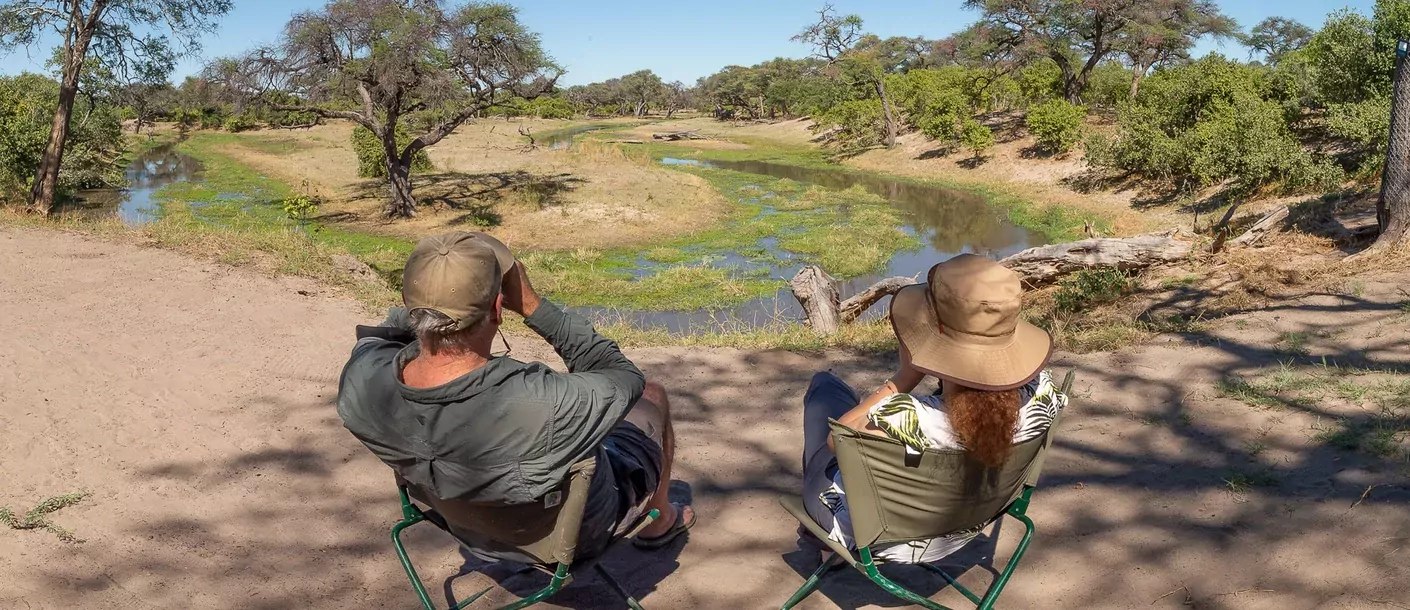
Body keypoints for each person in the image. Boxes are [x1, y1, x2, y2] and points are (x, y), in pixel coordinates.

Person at [337, 231, 695, 562]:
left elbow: (382, 333)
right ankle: (661, 519)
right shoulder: (546, 403)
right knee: (652, 393)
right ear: (497, 309)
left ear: (407, 303)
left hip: (459, 524)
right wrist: (532, 305)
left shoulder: (361, 382)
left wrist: (427, 306)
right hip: (569, 542)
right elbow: (624, 377)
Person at [800, 253, 1068, 563]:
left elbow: (838, 441)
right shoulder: (1044, 392)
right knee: (839, 399)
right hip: (967, 527)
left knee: (825, 393)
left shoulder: (905, 416)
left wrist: (902, 379)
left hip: (882, 541)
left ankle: (816, 534)